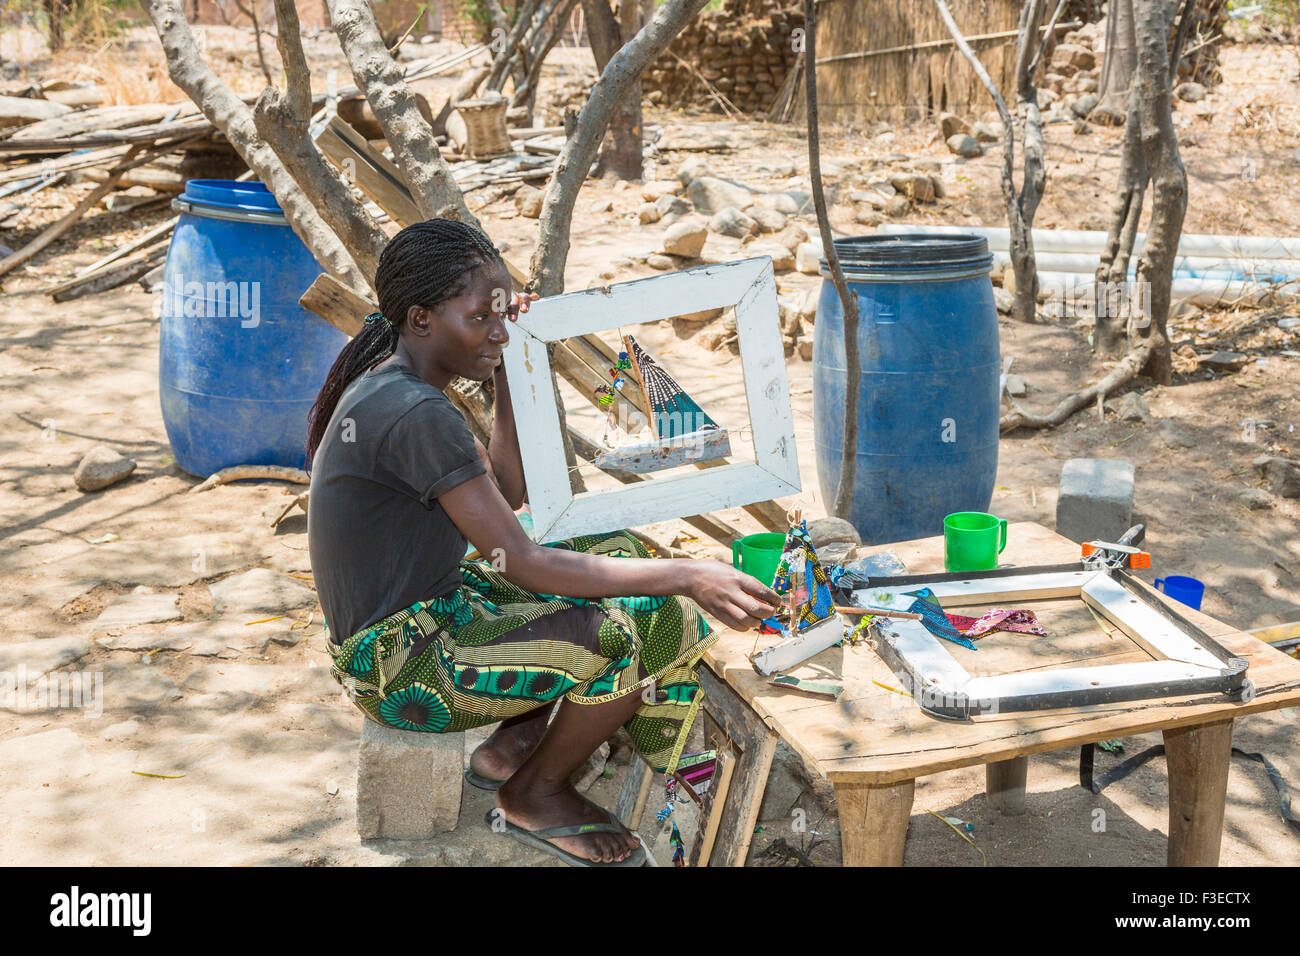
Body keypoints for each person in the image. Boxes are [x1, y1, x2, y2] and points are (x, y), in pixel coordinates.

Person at [306, 219, 780, 867]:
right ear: (421, 319)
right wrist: (688, 575)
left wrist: (505, 374)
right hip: (404, 670)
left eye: (504, 314)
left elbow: (504, 491)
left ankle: (516, 743)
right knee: (649, 618)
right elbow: (522, 559)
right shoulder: (417, 415)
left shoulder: (402, 389)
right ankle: (537, 792)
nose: (500, 331)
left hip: (420, 616)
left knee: (613, 547)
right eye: (482, 318)